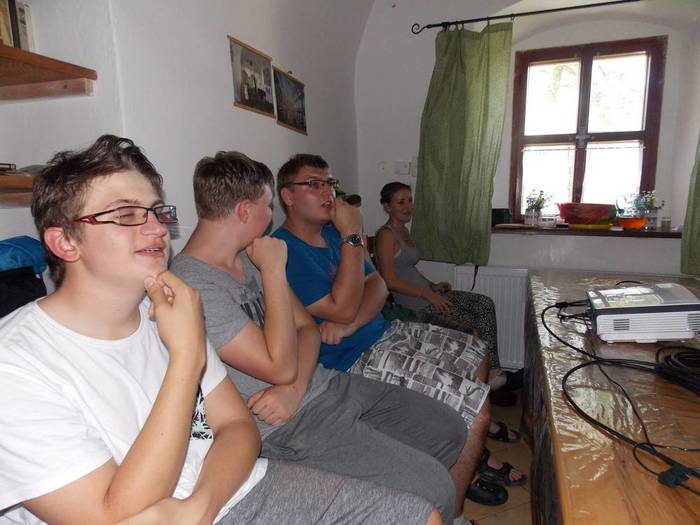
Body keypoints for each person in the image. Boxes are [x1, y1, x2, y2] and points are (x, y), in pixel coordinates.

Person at [0, 135, 440, 525]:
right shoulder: (16, 364)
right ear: (65, 242)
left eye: (156, 211)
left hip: (228, 486)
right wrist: (187, 358)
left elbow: (237, 426)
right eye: (127, 214)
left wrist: (202, 505)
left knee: (422, 514)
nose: (157, 228)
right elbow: (110, 516)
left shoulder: (168, 306)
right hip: (183, 505)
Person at [169, 150, 487, 524]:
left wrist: (295, 386)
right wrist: (274, 270)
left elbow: (307, 329)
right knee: (435, 486)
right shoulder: (195, 283)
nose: (270, 216)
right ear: (243, 211)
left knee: (448, 429)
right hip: (286, 426)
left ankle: (397, 494)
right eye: (267, 206)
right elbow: (276, 366)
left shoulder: (246, 258)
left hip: (321, 385)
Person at [272, 154, 510, 507]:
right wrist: (352, 234)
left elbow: (379, 286)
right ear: (287, 196)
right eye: (313, 184)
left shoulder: (333, 236)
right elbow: (341, 306)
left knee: (477, 352)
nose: (327, 193)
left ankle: (462, 457)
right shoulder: (286, 250)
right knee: (479, 411)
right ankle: (454, 509)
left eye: (329, 183)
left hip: (382, 331)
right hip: (351, 358)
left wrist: (352, 322)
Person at [374, 182, 527, 486]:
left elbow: (409, 271)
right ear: (387, 206)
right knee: (470, 331)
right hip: (413, 305)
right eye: (400, 202)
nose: (407, 206)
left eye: (410, 200)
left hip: (427, 294)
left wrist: (432, 285)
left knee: (483, 304)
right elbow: (389, 280)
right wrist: (426, 294)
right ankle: (483, 390)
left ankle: (492, 375)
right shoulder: (385, 236)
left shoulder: (404, 231)